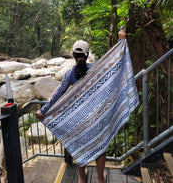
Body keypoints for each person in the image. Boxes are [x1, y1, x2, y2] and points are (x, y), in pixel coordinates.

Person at [36, 29, 126, 183]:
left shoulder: (69, 75)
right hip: (96, 117)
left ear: (72, 55)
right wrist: (121, 41)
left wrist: (43, 110)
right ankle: (100, 178)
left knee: (78, 146)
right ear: (87, 54)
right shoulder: (97, 69)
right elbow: (115, 63)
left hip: (77, 120)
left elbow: (57, 95)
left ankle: (82, 177)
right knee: (100, 146)